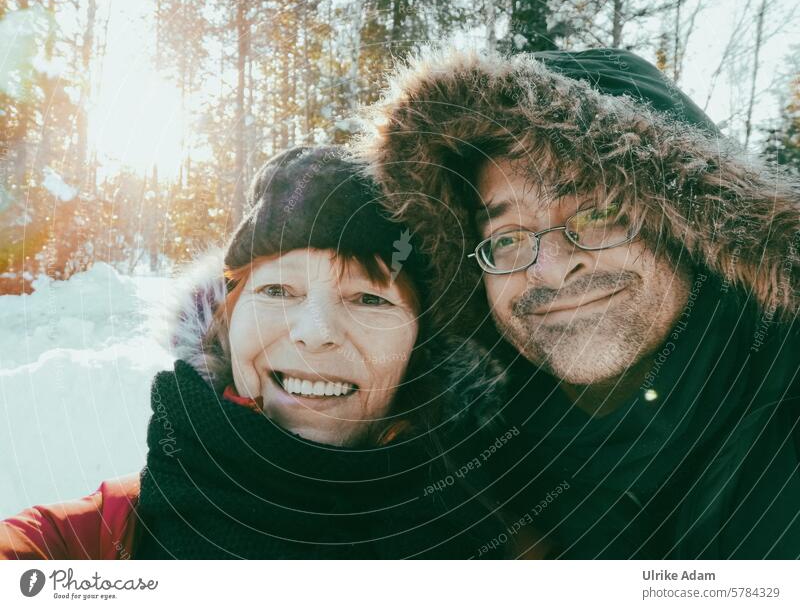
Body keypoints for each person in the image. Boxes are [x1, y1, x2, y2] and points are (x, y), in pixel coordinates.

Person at [355, 48, 800, 558]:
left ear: (691, 228)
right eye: (507, 237)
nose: (550, 267)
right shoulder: (474, 471)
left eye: (598, 214)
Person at [0, 146, 518, 560]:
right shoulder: (99, 540)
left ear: (423, 346)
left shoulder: (502, 547)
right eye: (277, 291)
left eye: (368, 298)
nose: (314, 335)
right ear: (225, 320)